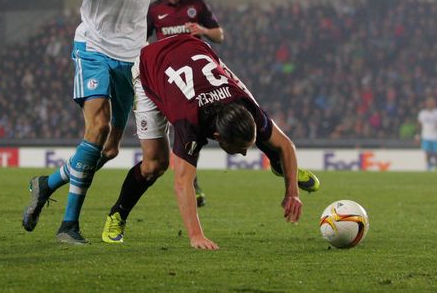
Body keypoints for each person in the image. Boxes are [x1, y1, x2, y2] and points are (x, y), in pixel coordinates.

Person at [20, 0, 211, 245]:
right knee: (97, 128)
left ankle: (48, 183)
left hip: (132, 59)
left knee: (107, 148)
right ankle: (68, 226)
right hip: (93, 47)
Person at [100, 35, 320, 250]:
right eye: (241, 150)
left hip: (195, 48)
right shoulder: (189, 123)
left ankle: (280, 165)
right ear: (217, 136)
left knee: (267, 136)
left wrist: (292, 193)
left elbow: (286, 145)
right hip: (151, 65)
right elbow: (182, 182)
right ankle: (118, 213)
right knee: (154, 165)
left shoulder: (244, 104)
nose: (244, 154)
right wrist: (196, 236)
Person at [146, 0, 225, 207]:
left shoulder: (196, 5)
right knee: (184, 129)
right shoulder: (154, 10)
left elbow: (219, 35)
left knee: (203, 124)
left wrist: (202, 30)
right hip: (171, 77)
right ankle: (193, 182)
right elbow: (141, 39)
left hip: (199, 73)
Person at [416, 96, 437, 171]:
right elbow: (419, 125)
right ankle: (428, 166)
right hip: (426, 136)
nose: (430, 104)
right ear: (426, 103)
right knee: (427, 152)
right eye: (429, 102)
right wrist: (417, 135)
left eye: (432, 102)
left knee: (436, 153)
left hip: (435, 136)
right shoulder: (422, 113)